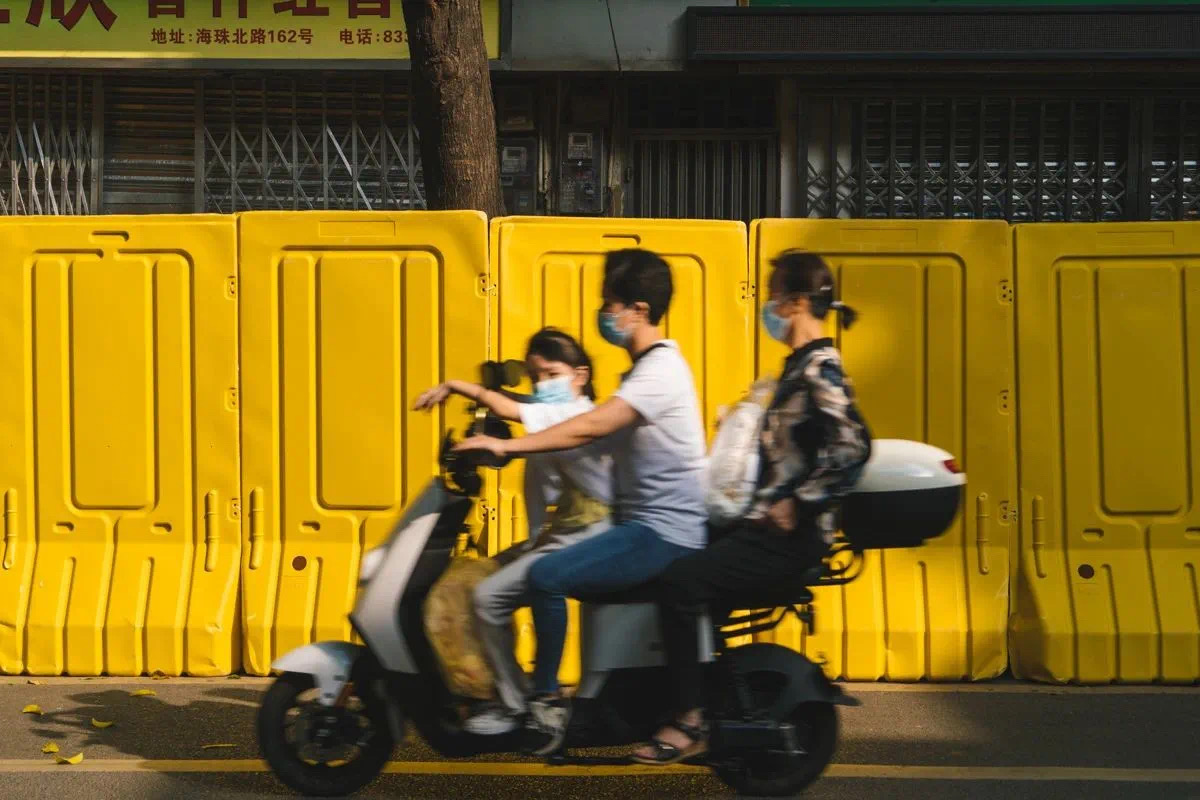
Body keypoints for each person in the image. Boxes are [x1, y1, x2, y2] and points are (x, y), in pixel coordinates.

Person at [454, 248, 709, 755]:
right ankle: (535, 698)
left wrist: (506, 444)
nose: (604, 313)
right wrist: (497, 425)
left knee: (548, 577)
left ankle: (545, 699)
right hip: (641, 524)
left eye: (610, 303)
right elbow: (569, 426)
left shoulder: (660, 373)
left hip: (664, 531)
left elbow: (590, 425)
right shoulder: (641, 373)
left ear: (638, 309)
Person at [631, 250, 872, 766]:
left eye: (773, 296)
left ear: (798, 302)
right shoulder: (797, 368)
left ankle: (688, 720)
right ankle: (688, 696)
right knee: (675, 561)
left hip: (790, 536)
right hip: (765, 525)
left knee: (681, 583)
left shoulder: (821, 366)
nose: (767, 306)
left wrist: (797, 504)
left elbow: (852, 447)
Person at [414, 328, 612, 735]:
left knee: (490, 596)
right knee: (478, 580)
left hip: (592, 533)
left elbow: (510, 409)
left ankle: (528, 701)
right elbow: (518, 413)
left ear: (580, 375)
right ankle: (510, 693)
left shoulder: (574, 413)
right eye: (536, 376)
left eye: (551, 373)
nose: (542, 385)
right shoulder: (556, 411)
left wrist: (454, 385)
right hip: (566, 532)